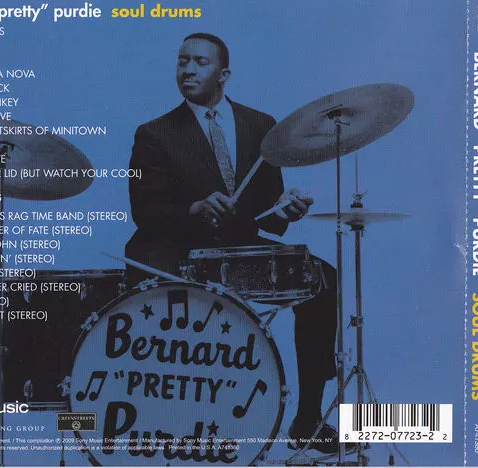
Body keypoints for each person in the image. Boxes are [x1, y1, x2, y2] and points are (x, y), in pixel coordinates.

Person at [125, 32, 344, 454]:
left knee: (322, 280)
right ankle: (174, 424)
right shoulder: (153, 133)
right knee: (167, 301)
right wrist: (195, 208)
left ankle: (307, 419)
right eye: (182, 61)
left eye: (200, 62)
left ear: (223, 74)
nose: (188, 70)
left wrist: (286, 209)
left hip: (238, 250)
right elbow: (145, 212)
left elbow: (267, 212)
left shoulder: (261, 126)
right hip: (177, 250)